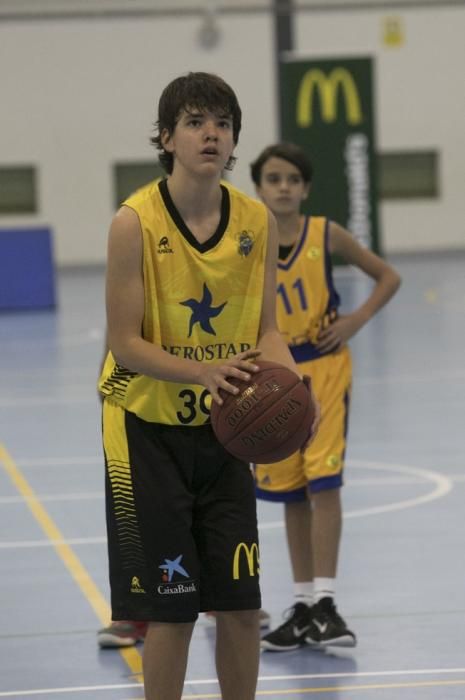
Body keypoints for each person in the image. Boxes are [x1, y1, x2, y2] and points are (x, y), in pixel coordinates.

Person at [98, 75, 316, 700]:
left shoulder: (256, 220)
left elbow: (267, 330)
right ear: (166, 138)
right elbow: (124, 342)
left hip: (224, 434)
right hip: (145, 431)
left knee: (241, 606)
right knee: (171, 612)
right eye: (195, 121)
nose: (211, 133)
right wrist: (201, 371)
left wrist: (296, 389)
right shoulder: (133, 222)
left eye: (222, 122)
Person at [250, 142, 401, 652]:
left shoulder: (324, 233)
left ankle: (327, 601)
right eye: (274, 178)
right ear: (259, 188)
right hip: (274, 376)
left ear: (306, 188)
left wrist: (356, 320)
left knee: (325, 482)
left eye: (293, 178)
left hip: (324, 369)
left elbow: (388, 276)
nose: (284, 186)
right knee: (291, 492)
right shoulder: (246, 242)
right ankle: (301, 603)